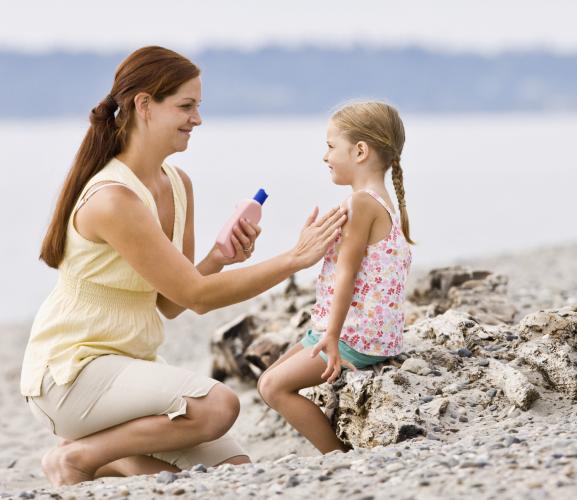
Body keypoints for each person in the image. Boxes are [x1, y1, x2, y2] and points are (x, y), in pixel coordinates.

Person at [20, 46, 347, 486]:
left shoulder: (178, 185)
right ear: (143, 106)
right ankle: (75, 457)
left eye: (199, 107)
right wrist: (294, 258)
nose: (197, 119)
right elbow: (197, 296)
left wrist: (218, 259)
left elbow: (173, 303)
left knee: (233, 473)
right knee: (218, 406)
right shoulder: (114, 199)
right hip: (70, 375)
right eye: (186, 106)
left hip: (127, 369)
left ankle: (103, 458)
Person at [258, 101, 414, 453]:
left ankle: (336, 455)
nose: (324, 156)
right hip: (352, 329)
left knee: (272, 389)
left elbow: (347, 273)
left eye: (330, 146)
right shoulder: (378, 202)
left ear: (360, 151)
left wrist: (330, 335)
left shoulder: (362, 203)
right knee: (268, 379)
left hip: (353, 336)